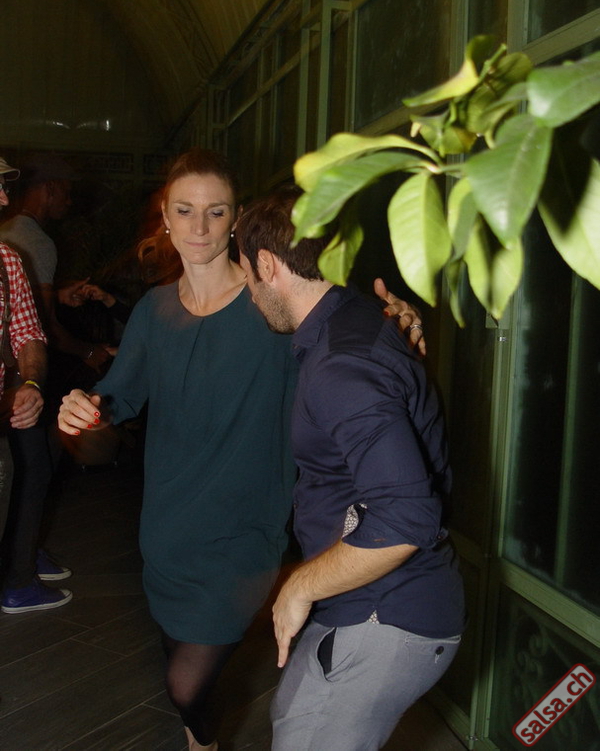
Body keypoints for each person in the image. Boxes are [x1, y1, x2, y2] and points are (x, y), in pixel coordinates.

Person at [56, 149, 425, 751]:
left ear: (236, 219)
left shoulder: (270, 304)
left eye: (216, 211)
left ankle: (201, 739)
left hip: (245, 532)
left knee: (184, 684)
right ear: (165, 220)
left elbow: (342, 330)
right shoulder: (153, 311)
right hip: (167, 529)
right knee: (180, 663)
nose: (199, 227)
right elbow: (113, 405)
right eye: (184, 211)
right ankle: (200, 740)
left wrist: (395, 323)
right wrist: (83, 411)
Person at [235, 186, 466, 751]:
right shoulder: (356, 314)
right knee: (290, 715)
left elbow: (407, 517)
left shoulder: (341, 364)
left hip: (387, 612)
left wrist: (298, 586)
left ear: (266, 264)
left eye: (245, 275)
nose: (247, 291)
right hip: (362, 598)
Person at [0, 153, 89, 613]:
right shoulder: (34, 244)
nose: (4, 200)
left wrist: (31, 384)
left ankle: (18, 565)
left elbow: (29, 331)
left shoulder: (8, 260)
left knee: (25, 468)